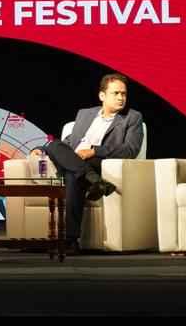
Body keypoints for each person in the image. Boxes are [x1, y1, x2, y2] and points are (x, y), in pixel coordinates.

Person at [32, 73, 144, 253]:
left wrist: (94, 151)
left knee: (73, 175)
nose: (121, 98)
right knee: (54, 145)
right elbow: (69, 142)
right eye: (115, 93)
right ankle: (94, 181)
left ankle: (71, 240)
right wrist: (41, 149)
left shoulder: (132, 117)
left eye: (123, 94)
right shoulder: (85, 114)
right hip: (75, 159)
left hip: (97, 162)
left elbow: (131, 149)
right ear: (102, 96)